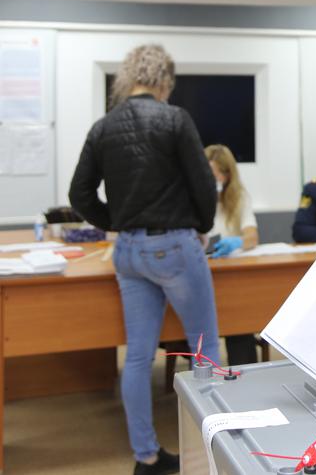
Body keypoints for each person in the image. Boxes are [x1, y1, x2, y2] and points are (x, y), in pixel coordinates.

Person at [69, 44, 218, 475]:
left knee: (137, 356)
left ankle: (146, 457)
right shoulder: (175, 119)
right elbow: (203, 185)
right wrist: (201, 225)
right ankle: (213, 452)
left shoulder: (103, 127)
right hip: (174, 245)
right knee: (205, 349)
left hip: (128, 253)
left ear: (127, 78)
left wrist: (116, 223)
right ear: (164, 81)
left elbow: (79, 195)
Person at [204, 143, 260, 366]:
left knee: (240, 325)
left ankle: (244, 377)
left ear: (227, 175)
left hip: (230, 277)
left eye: (216, 174)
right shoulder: (190, 197)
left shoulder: (239, 197)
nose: (212, 179)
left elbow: (252, 236)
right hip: (201, 274)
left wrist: (238, 242)